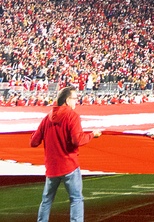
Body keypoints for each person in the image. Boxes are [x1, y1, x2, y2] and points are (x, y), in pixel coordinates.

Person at [29, 86, 103, 222]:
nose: (76, 102)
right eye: (75, 99)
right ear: (67, 100)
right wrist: (93, 135)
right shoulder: (71, 116)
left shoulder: (47, 118)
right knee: (76, 199)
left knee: (46, 200)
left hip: (52, 167)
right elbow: (77, 140)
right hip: (69, 165)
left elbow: (33, 142)